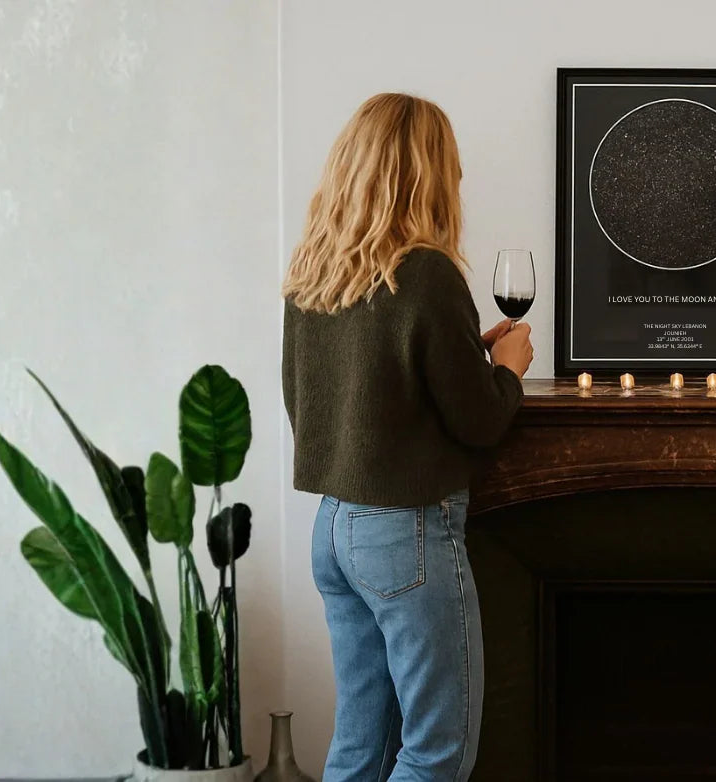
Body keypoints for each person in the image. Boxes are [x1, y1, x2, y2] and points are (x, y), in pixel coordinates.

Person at [281, 92, 532, 782]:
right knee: (435, 751)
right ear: (428, 172)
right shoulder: (427, 273)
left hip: (334, 528)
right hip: (405, 535)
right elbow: (479, 419)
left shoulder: (315, 272)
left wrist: (466, 353)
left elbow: (319, 404)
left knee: (360, 748)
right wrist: (507, 371)